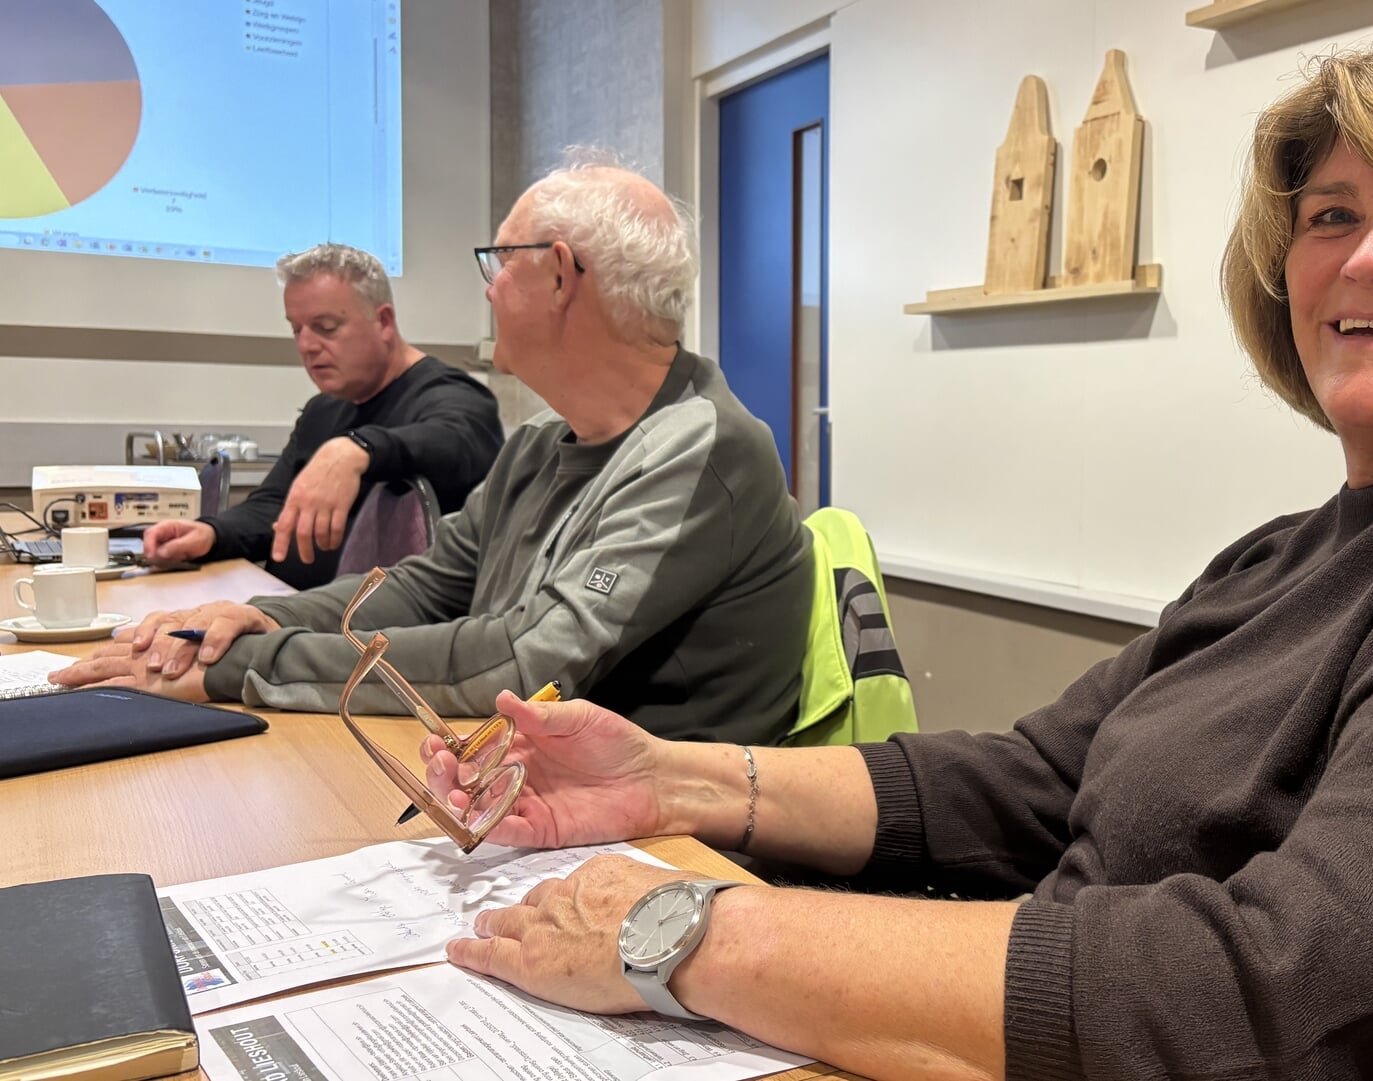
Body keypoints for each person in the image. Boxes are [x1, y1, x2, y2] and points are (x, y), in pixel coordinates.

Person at [413, 25, 1373, 1081]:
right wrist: (667, 779)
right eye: (1332, 216)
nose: (1370, 260)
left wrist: (688, 933)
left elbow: (1308, 994)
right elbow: (1032, 781)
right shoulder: (1284, 555)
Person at [53, 154, 813, 748]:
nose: (488, 291)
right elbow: (422, 589)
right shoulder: (540, 446)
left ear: (558, 275)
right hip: (523, 785)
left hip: (668, 845)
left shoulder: (704, 449)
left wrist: (243, 668)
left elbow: (523, 664)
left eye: (498, 263)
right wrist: (256, 620)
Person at [142, 243, 504, 589]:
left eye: (326, 327)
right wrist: (212, 533)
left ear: (383, 322)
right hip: (292, 608)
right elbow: (273, 506)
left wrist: (356, 449)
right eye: (296, 329)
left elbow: (457, 440)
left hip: (369, 623)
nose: (306, 345)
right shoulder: (323, 409)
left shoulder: (454, 396)